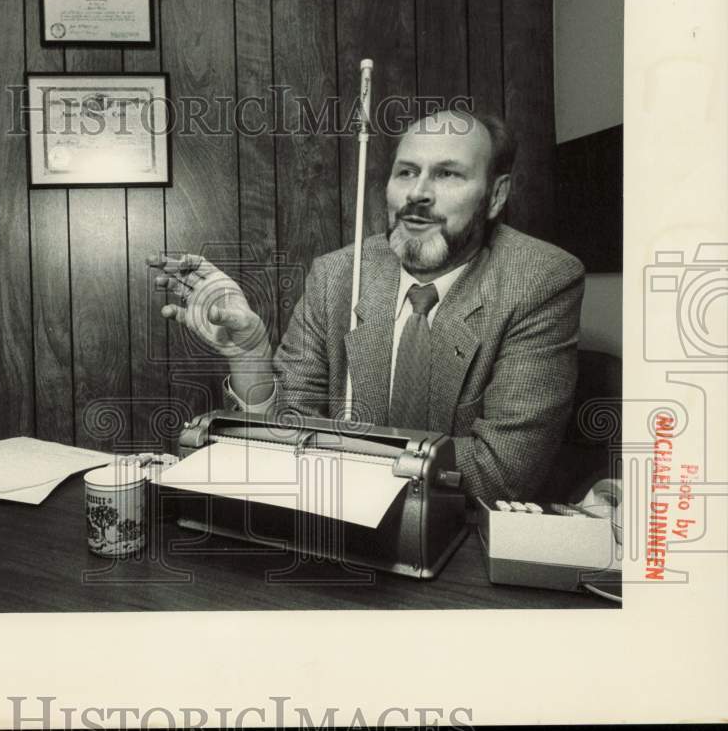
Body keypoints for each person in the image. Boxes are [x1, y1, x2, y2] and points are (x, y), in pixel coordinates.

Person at [149, 110, 585, 503]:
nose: (418, 194)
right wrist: (250, 356)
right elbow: (283, 434)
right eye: (406, 172)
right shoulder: (337, 274)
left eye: (448, 174)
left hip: (463, 545)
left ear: (494, 196)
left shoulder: (540, 280)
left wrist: (326, 447)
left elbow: (502, 474)